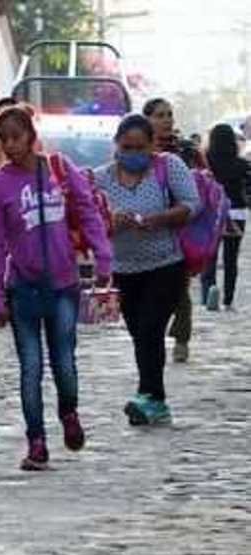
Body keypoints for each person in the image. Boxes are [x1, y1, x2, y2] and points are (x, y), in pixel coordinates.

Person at [0, 106, 113, 471]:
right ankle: (36, 440)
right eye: (4, 138)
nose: (11, 144)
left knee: (65, 362)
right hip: (23, 289)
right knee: (30, 367)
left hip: (64, 284)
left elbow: (87, 213)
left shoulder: (59, 169)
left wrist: (103, 259)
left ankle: (68, 411)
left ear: (30, 135)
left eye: (17, 136)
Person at [93, 115, 200, 427]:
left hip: (165, 264)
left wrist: (161, 218)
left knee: (151, 328)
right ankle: (155, 400)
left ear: (152, 145)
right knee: (139, 333)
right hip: (123, 270)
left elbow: (192, 204)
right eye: (127, 147)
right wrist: (111, 221)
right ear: (116, 145)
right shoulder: (101, 179)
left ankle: (149, 395)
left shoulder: (169, 167)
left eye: (141, 147)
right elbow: (89, 222)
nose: (134, 153)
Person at [144, 97, 204, 362]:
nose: (167, 119)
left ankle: (182, 338)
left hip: (182, 227)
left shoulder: (187, 151)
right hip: (146, 228)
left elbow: (207, 184)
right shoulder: (137, 150)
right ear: (147, 120)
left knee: (179, 285)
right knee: (152, 287)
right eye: (160, 115)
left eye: (169, 114)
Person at [203, 123, 250, 311]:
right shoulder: (242, 165)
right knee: (231, 258)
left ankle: (209, 294)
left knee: (209, 256)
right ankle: (228, 299)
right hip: (236, 213)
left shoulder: (206, 162)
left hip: (212, 213)